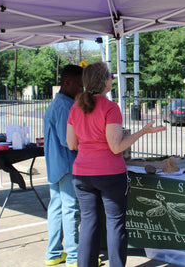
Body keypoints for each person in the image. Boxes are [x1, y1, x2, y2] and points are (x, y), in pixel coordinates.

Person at [66, 61, 166, 267]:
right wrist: (142, 132)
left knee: (88, 223)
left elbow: (71, 144)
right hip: (110, 174)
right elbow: (116, 147)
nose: (112, 79)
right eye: (110, 76)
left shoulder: (76, 107)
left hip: (82, 174)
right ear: (105, 82)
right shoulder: (110, 108)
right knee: (115, 223)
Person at [44, 65, 83, 266]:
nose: (82, 90)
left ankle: (53, 253)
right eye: (79, 86)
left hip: (55, 166)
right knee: (71, 209)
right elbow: (68, 141)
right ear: (67, 83)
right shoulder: (65, 107)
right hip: (67, 165)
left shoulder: (57, 104)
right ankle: (75, 256)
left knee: (57, 208)